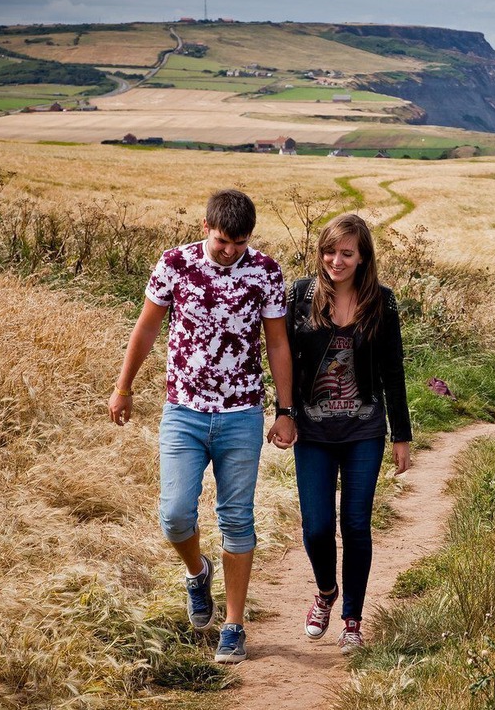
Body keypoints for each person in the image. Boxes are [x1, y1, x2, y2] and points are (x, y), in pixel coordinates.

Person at [108, 188, 296, 664]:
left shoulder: (267, 272)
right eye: (221, 240)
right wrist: (123, 387)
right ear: (204, 229)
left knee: (237, 518)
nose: (230, 250)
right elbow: (147, 327)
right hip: (184, 412)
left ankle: (232, 626)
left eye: (239, 242)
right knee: (174, 513)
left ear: (249, 237)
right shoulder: (174, 263)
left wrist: (285, 409)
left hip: (241, 415)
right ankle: (197, 574)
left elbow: (276, 343)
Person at [286, 212, 412, 654]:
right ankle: (325, 591)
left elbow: (393, 371)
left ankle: (352, 620)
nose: (335, 261)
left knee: (355, 524)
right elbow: (283, 358)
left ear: (362, 258)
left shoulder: (382, 301)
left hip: (364, 430)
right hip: (314, 432)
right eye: (328, 251)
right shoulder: (301, 295)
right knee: (318, 527)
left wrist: (402, 434)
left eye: (346, 253)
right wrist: (283, 411)